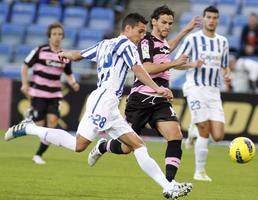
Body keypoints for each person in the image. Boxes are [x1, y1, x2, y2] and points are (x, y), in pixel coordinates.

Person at [5, 13, 192, 199]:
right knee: (78, 145)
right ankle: (29, 128)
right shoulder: (127, 44)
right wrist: (158, 88)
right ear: (127, 29)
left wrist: (64, 54)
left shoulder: (104, 44)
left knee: (138, 145)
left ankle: (168, 187)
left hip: (109, 103)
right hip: (103, 99)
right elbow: (138, 70)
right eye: (140, 31)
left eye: (144, 32)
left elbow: (78, 55)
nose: (142, 36)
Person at [87, 5, 202, 184]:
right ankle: (103, 146)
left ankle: (170, 183)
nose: (168, 26)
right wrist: (173, 64)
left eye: (170, 23)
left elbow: (167, 51)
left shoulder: (162, 43)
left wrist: (185, 32)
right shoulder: (145, 41)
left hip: (160, 99)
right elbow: (147, 68)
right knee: (127, 148)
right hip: (140, 99)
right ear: (154, 22)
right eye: (164, 22)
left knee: (175, 135)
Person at [176, 6, 231, 181]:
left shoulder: (223, 42)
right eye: (209, 17)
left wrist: (227, 74)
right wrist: (192, 64)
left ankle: (192, 131)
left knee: (218, 136)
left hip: (214, 92)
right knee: (205, 130)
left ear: (218, 20)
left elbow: (225, 65)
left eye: (215, 17)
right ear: (204, 18)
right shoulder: (193, 39)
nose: (212, 20)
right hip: (195, 88)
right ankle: (199, 172)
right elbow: (176, 63)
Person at [20, 22, 80, 164]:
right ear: (49, 36)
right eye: (54, 34)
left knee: (52, 124)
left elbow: (69, 73)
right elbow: (25, 65)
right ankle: (30, 117)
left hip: (55, 94)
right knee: (40, 126)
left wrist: (73, 83)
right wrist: (24, 83)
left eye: (60, 34)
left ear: (63, 37)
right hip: (38, 93)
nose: (57, 37)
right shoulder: (40, 50)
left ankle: (38, 155)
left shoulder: (65, 55)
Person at [233, 13, 258, 93]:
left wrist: (253, 48)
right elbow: (241, 42)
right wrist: (246, 48)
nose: (252, 21)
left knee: (256, 66)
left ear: (257, 21)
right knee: (237, 67)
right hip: (244, 54)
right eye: (250, 20)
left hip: (256, 54)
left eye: (254, 20)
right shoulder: (245, 28)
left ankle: (254, 83)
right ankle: (234, 86)